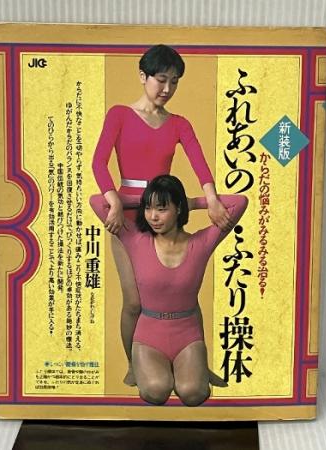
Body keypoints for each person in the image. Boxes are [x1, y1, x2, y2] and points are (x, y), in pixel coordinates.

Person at [92, 44, 232, 386]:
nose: (167, 88)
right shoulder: (119, 115)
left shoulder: (179, 123)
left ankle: (198, 365)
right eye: (161, 80)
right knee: (133, 302)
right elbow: (98, 163)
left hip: (166, 217)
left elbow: (199, 162)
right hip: (128, 217)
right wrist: (113, 201)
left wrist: (211, 199)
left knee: (185, 295)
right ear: (143, 77)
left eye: (174, 82)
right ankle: (134, 365)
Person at [90, 175, 248, 406]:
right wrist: (147, 199)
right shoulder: (135, 239)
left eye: (162, 209)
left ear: (178, 208)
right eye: (148, 208)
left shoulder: (202, 242)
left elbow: (240, 202)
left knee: (193, 394)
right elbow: (97, 201)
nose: (153, 216)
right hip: (148, 336)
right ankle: (144, 367)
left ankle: (194, 370)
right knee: (156, 391)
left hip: (188, 335)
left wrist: (192, 202)